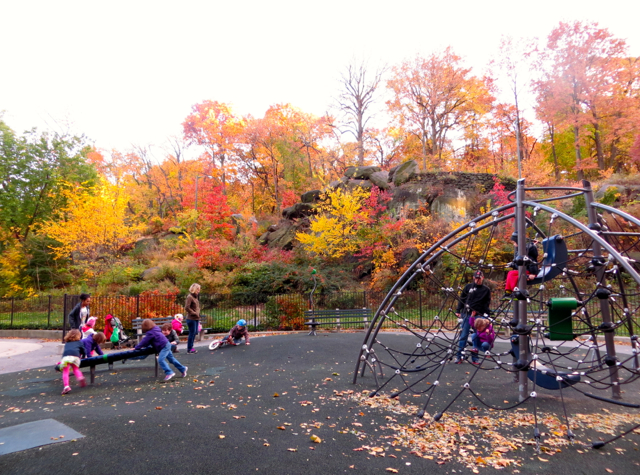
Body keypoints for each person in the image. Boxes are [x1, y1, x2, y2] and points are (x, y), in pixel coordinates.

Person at [454, 270, 492, 364]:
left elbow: (486, 303)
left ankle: (475, 358)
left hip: (478, 316)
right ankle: (460, 356)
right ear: (473, 278)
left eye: (479, 278)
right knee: (463, 336)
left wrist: (486, 315)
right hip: (467, 314)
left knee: (477, 337)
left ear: (482, 278)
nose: (477, 280)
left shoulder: (486, 290)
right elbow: (462, 299)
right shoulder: (468, 287)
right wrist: (458, 310)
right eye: (476, 278)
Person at [60, 329, 86, 394]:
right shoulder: (79, 342)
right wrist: (83, 356)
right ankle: (80, 377)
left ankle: (66, 386)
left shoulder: (67, 343)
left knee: (65, 371)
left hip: (66, 357)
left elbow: (65, 352)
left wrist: (61, 361)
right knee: (75, 369)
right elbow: (84, 350)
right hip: (76, 357)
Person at [184, 284, 201, 354]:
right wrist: (194, 313)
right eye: (197, 289)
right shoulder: (190, 297)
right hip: (191, 318)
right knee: (192, 333)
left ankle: (191, 347)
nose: (198, 291)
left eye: (199, 289)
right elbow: (187, 307)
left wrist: (197, 314)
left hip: (196, 318)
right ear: (194, 289)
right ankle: (189, 348)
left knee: (194, 333)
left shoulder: (196, 297)